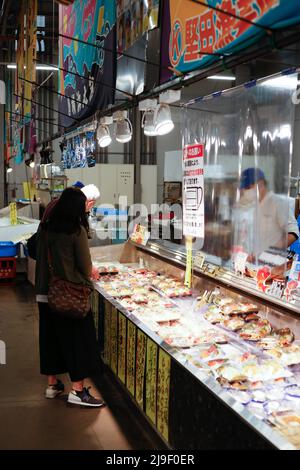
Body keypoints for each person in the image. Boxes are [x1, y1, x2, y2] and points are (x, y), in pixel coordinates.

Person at [35, 187, 104, 407]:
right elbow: (84, 267)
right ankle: (78, 391)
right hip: (71, 296)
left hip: (46, 292)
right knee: (78, 342)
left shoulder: (46, 228)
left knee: (50, 339)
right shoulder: (76, 231)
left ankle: (53, 385)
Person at [237, 167, 299, 257]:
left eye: (247, 187)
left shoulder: (278, 203)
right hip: (251, 260)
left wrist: (268, 251)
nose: (244, 191)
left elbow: (293, 233)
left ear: (260, 184)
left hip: (273, 260)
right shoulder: (252, 205)